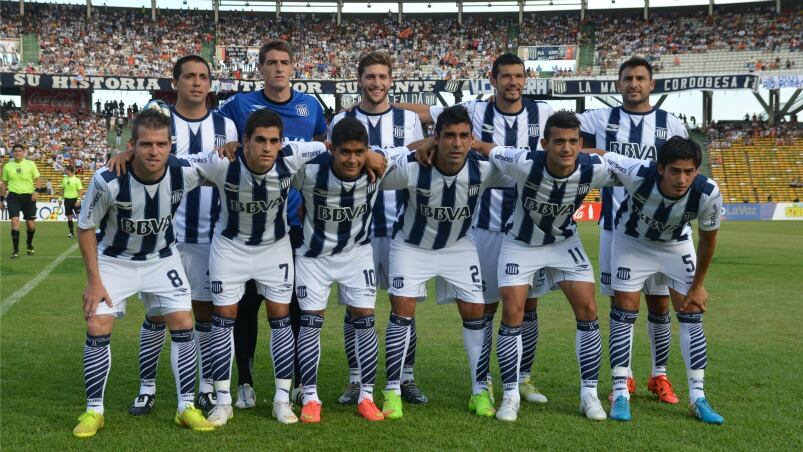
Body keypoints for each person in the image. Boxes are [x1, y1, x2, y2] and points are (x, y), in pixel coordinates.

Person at [399, 52, 555, 406]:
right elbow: (425, 114)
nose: (513, 82)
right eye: (506, 76)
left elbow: (570, 142)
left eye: (518, 76)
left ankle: (523, 377)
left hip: (528, 228)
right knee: (482, 307)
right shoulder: (474, 110)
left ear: (525, 78)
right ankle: (481, 379)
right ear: (493, 79)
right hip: (483, 226)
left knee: (528, 307)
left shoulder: (542, 113)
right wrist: (384, 103)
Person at [71, 109, 214, 438]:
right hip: (115, 261)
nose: (154, 151)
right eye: (146, 144)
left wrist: (233, 145)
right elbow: (86, 228)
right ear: (132, 145)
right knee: (97, 322)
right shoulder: (107, 179)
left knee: (184, 322)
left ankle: (186, 408)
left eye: (161, 144)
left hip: (162, 259)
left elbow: (221, 163)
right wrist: (94, 282)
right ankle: (94, 410)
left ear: (170, 145)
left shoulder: (184, 171)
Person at [467, 111, 613, 422]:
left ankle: (589, 395)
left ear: (581, 144)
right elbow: (486, 148)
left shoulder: (592, 168)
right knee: (512, 313)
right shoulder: (523, 162)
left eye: (573, 142)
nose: (566, 148)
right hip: (520, 244)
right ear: (544, 143)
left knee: (588, 309)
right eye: (558, 141)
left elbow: (626, 166)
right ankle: (509, 396)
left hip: (564, 244)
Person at [378, 106, 512, 420]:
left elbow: (527, 165)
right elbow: (377, 163)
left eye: (464, 136)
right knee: (402, 311)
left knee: (476, 312)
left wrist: (487, 148)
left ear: (472, 139)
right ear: (435, 138)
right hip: (412, 246)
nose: (456, 143)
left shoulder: (485, 168)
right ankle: (393, 391)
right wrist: (414, 147)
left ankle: (479, 390)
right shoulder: (413, 166)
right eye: (449, 135)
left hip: (459, 247)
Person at [124, 55, 239, 418]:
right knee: (158, 316)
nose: (196, 82)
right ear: (175, 83)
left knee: (204, 314)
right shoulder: (161, 123)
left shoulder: (227, 125)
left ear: (210, 84)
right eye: (188, 76)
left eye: (203, 76)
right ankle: (147, 388)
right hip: (164, 239)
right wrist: (124, 152)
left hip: (211, 237)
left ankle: (205, 387)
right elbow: (140, 154)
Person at [216, 40, 327, 409]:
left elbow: (323, 150)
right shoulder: (238, 105)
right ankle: (244, 381)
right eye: (271, 63)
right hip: (245, 226)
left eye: (285, 62)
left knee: (292, 307)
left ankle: (292, 381)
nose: (278, 68)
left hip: (293, 223)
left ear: (293, 67)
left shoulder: (310, 106)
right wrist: (229, 145)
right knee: (246, 308)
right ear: (260, 69)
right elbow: (219, 133)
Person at [587, 137, 725, 425]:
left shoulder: (708, 192)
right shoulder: (638, 172)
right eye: (675, 170)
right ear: (660, 168)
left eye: (689, 171)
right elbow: (604, 155)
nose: (681, 178)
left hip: (676, 245)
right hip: (632, 243)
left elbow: (708, 239)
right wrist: (569, 152)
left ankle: (698, 397)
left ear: (697, 171)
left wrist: (698, 285)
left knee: (690, 312)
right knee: (624, 311)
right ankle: (621, 390)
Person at [578, 56, 688, 404]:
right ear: (618, 84)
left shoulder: (671, 124)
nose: (634, 84)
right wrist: (599, 153)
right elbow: (562, 134)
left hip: (662, 231)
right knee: (621, 307)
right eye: (628, 78)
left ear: (651, 84)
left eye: (641, 78)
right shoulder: (599, 118)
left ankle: (660, 376)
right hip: (616, 227)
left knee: (658, 305)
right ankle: (623, 378)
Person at [328, 51, 428, 406]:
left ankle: (405, 379)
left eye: (382, 77)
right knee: (356, 309)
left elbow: (417, 168)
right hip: (358, 235)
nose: (376, 83)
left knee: (405, 307)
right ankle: (356, 380)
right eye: (370, 77)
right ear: (359, 80)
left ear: (391, 81)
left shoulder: (407, 120)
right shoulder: (342, 119)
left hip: (402, 231)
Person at [293, 118, 402, 423]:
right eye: (345, 152)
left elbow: (416, 150)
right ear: (332, 150)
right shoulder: (310, 170)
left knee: (366, 321)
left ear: (367, 150)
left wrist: (373, 155)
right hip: (314, 258)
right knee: (311, 323)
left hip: (357, 255)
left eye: (358, 152)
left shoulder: (378, 164)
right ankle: (311, 397)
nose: (352, 159)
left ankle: (367, 397)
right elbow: (278, 155)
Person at [1, 144, 44, 258]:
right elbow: (4, 183)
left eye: (20, 151)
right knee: (15, 222)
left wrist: (36, 191)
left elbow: (38, 179)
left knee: (30, 226)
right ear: (12, 153)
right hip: (13, 197)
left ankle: (29, 243)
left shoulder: (30, 164)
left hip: (28, 197)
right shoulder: (7, 166)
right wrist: (1, 199)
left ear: (24, 152)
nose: (17, 153)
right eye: (15, 151)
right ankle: (15, 251)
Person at [61, 165, 84, 239]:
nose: (64, 171)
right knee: (69, 218)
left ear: (69, 170)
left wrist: (79, 200)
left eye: (65, 170)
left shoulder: (77, 180)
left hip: (75, 200)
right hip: (67, 200)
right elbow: (62, 189)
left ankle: (82, 234)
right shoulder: (64, 179)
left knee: (79, 218)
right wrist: (60, 199)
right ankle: (71, 233)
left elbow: (80, 190)